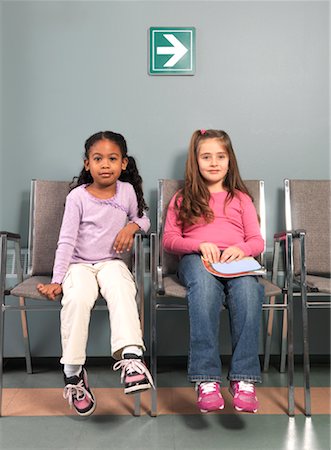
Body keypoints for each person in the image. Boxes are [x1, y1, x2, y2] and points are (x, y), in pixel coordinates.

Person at [37, 131, 154, 416]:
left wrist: (131, 227)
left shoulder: (126, 191)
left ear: (123, 163)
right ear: (87, 163)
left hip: (110, 262)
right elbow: (66, 240)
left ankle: (132, 358)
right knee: (76, 298)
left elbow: (144, 219)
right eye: (98, 158)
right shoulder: (78, 197)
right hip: (79, 264)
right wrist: (56, 280)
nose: (105, 164)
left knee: (122, 287)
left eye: (112, 159)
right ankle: (73, 372)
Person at [163, 129, 265, 414]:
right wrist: (199, 245)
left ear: (230, 160)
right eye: (206, 156)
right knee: (206, 290)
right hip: (197, 260)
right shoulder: (183, 198)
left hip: (235, 260)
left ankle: (244, 378)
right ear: (195, 161)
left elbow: (258, 241)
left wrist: (243, 249)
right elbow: (169, 240)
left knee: (248, 291)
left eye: (220, 156)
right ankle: (206, 378)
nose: (214, 162)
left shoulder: (241, 199)